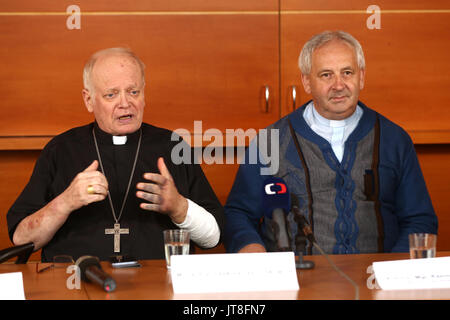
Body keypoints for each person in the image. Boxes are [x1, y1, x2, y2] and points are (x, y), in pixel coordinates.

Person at [224, 31, 438, 255]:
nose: (339, 85)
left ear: (361, 77)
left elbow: (419, 220)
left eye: (347, 72)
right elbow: (238, 214)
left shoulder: (395, 140)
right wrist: (250, 247)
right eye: (326, 75)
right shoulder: (270, 142)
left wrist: (391, 272)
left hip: (375, 283)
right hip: (296, 283)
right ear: (307, 82)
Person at [7, 48, 225, 262]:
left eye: (133, 92)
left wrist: (179, 207)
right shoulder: (61, 149)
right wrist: (66, 201)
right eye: (111, 94)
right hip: (76, 289)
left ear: (144, 94)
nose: (125, 103)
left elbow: (214, 237)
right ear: (88, 100)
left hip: (157, 290)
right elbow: (22, 238)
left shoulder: (172, 146)